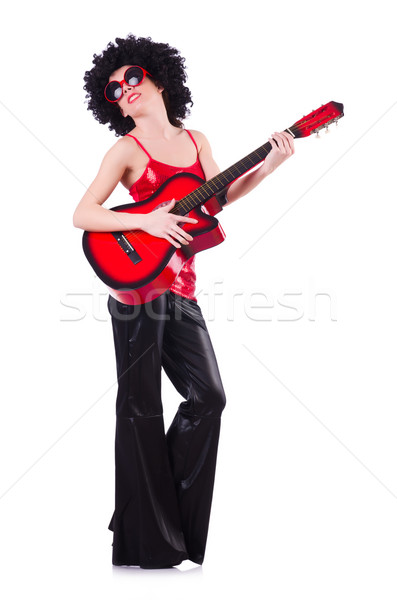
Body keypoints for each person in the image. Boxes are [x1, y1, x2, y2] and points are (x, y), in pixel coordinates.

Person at [73, 34, 294, 569]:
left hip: (182, 290)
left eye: (132, 78)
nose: (123, 90)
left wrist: (267, 166)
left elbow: (215, 200)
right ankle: (144, 536)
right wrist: (145, 219)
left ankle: (143, 511)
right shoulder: (125, 150)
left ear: (157, 77)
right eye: (112, 87)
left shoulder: (196, 140)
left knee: (208, 398)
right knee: (141, 407)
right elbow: (84, 214)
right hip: (136, 293)